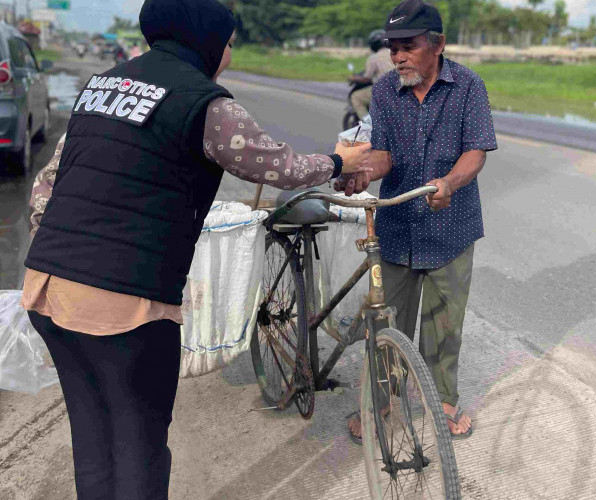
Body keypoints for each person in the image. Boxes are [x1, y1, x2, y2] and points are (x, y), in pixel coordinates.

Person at [21, 0, 370, 498]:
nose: (228, 55)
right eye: (228, 43)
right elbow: (277, 167)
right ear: (205, 40)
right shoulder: (205, 103)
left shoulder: (102, 87)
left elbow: (48, 184)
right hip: (122, 307)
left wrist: (60, 255)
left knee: (93, 436)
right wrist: (338, 161)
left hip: (47, 289)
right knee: (139, 444)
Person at [338, 0, 498, 442]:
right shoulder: (387, 90)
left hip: (452, 225)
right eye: (393, 49)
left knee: (444, 325)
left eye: (407, 47)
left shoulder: (468, 85)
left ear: (438, 44)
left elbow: (477, 149)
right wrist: (365, 171)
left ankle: (444, 402)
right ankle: (381, 402)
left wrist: (450, 182)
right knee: (386, 323)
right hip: (397, 225)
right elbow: (384, 153)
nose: (398, 57)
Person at [349, 29, 394, 119]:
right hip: (402, 89)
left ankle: (369, 126)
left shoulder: (374, 58)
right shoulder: (396, 53)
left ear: (374, 44)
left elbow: (367, 78)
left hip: (385, 90)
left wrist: (353, 79)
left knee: (356, 97)